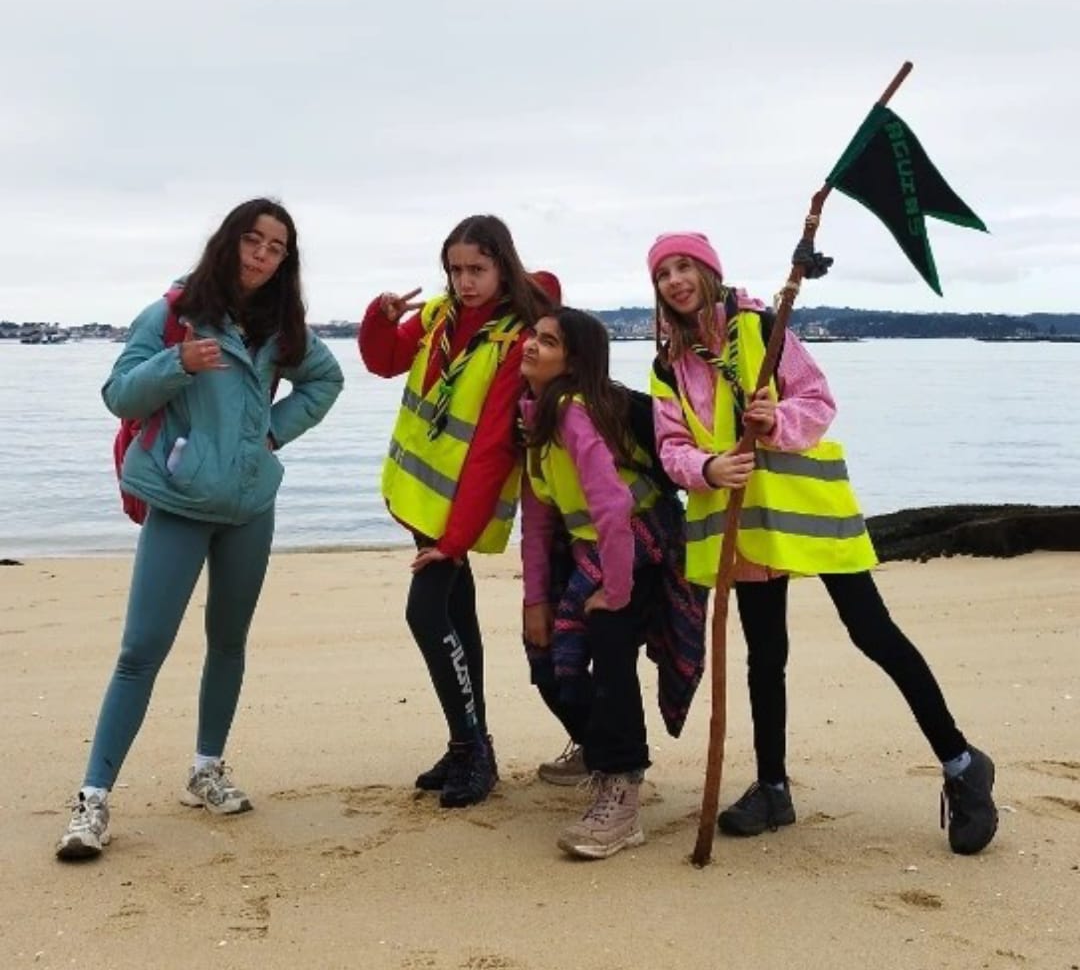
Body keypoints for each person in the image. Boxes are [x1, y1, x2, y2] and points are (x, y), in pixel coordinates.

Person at [647, 231, 998, 855]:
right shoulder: (667, 365)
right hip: (744, 524)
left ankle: (963, 764)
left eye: (683, 267)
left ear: (707, 271)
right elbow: (670, 446)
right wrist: (707, 468)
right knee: (765, 656)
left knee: (873, 633)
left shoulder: (764, 327)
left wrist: (775, 420)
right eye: (662, 273)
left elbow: (817, 400)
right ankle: (773, 788)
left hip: (810, 512)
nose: (674, 281)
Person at [56, 198, 344, 861]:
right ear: (229, 241)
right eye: (253, 240)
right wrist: (177, 363)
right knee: (141, 651)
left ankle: (206, 769)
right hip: (180, 501)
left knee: (228, 641)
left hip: (249, 505)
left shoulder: (281, 326)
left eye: (276, 248)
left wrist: (271, 433)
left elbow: (325, 381)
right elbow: (119, 393)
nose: (262, 255)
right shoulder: (172, 314)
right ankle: (93, 800)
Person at [359, 215, 558, 808]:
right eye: (455, 269)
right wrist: (379, 317)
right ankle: (466, 743)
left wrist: (454, 540)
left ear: (503, 266)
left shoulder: (515, 338)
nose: (465, 281)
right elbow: (384, 360)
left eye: (477, 269)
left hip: (458, 511)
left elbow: (494, 446)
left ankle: (474, 749)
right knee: (455, 615)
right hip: (423, 498)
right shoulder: (441, 314)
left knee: (425, 614)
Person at [520, 307, 706, 859]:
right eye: (534, 335)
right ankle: (597, 748)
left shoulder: (575, 413)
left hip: (642, 542)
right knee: (546, 655)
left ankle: (621, 788)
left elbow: (613, 505)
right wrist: (535, 600)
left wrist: (616, 593)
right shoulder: (535, 417)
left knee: (608, 642)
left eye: (547, 341)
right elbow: (538, 523)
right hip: (593, 551)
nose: (531, 344)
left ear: (573, 362)